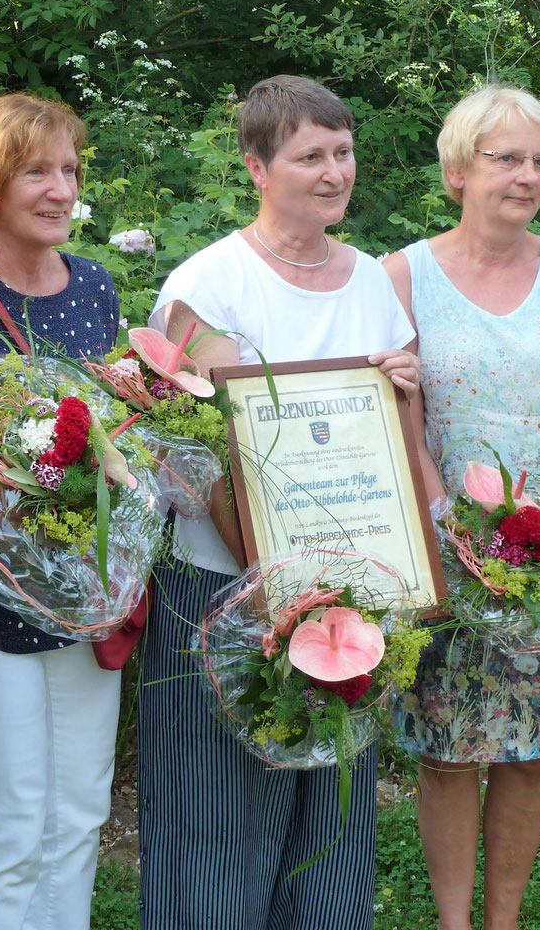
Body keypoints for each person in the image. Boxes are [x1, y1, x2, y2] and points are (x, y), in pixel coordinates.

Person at [137, 74, 419, 929]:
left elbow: (402, 438)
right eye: (309, 157)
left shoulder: (371, 278)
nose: (334, 172)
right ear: (257, 167)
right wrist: (274, 585)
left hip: (347, 594)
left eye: (342, 152)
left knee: (329, 809)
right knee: (212, 818)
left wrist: (400, 391)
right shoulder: (208, 286)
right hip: (224, 590)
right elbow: (201, 454)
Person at [382, 85, 540, 930]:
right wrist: (458, 535)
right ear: (457, 171)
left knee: (528, 750)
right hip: (445, 545)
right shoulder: (400, 275)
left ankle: (502, 921)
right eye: (505, 158)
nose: (525, 176)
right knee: (446, 752)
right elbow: (400, 429)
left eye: (539, 161)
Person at [0, 93, 122, 930]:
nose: (60, 188)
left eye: (69, 170)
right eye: (36, 170)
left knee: (77, 814)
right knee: (7, 823)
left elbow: (114, 428)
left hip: (77, 589)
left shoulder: (95, 286)